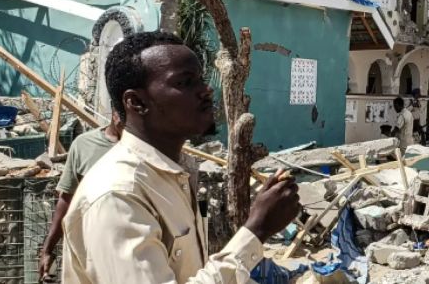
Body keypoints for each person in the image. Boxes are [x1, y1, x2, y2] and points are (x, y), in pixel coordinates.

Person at [62, 31, 301, 283]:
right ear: (137, 102)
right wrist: (256, 230)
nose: (206, 90)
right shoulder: (118, 194)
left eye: (201, 79)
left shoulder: (176, 171)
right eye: (185, 82)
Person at [38, 112, 123, 280]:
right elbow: (67, 198)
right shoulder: (84, 145)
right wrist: (47, 249)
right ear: (115, 114)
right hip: (90, 252)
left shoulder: (148, 148)